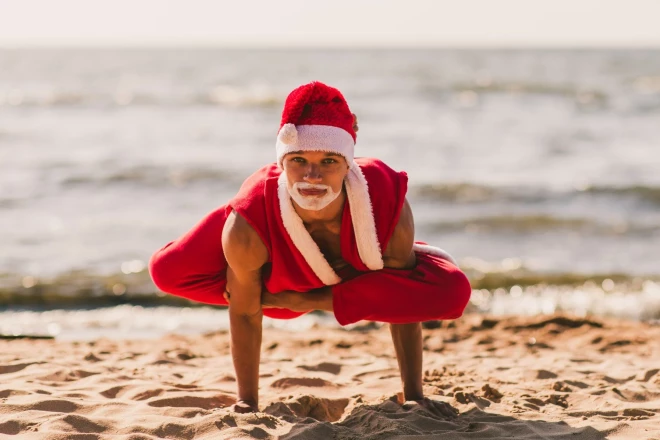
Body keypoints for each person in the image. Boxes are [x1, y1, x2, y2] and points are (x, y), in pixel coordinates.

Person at [149, 81, 472, 416]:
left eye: (329, 161)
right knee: (167, 270)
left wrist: (414, 394)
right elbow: (244, 311)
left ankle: (313, 296)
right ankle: (249, 248)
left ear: (348, 164)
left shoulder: (386, 203)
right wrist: (247, 401)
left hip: (323, 283)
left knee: (453, 291)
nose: (313, 175)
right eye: (299, 159)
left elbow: (402, 301)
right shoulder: (248, 229)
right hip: (274, 261)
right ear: (282, 161)